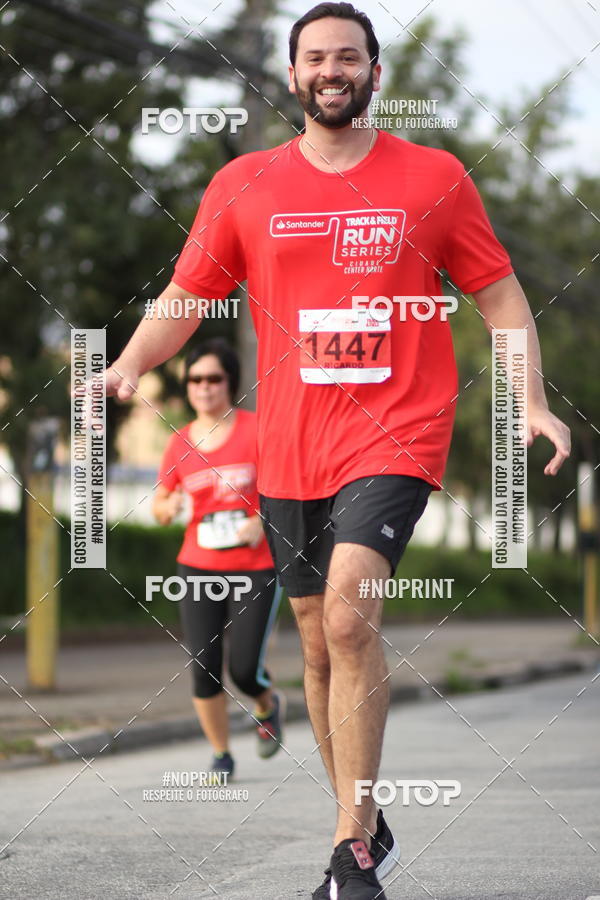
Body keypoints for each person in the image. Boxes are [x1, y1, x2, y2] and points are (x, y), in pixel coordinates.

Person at [106, 3, 571, 896]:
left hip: (397, 427)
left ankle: (352, 851)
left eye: (349, 57)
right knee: (318, 646)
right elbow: (185, 294)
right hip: (289, 445)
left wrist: (534, 404)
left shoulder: (433, 177)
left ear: (374, 75)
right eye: (315, 57)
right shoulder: (244, 183)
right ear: (292, 76)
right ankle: (361, 820)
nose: (332, 70)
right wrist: (126, 365)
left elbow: (503, 302)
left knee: (352, 616)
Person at [152, 337, 284, 779]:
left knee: (244, 670)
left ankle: (266, 705)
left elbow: (283, 489)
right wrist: (167, 508)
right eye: (195, 379)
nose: (204, 387)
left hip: (255, 567)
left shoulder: (256, 430)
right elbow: (161, 502)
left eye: (213, 378)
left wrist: (262, 520)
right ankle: (221, 755)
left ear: (230, 382)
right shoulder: (179, 445)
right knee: (204, 667)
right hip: (198, 566)